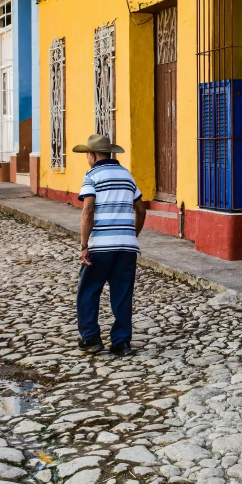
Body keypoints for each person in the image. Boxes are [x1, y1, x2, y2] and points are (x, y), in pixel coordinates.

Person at [73, 134, 146, 356]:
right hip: (126, 247)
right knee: (122, 293)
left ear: (92, 155)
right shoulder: (127, 175)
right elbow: (141, 210)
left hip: (100, 247)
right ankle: (121, 342)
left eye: (87, 154)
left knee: (88, 290)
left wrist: (84, 244)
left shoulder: (92, 175)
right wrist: (131, 235)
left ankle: (91, 338)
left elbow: (88, 210)